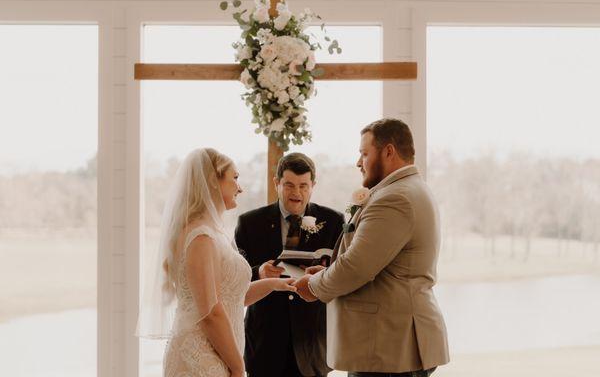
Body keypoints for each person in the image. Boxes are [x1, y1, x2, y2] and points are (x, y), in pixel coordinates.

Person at [294, 119, 450, 377]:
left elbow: (356, 267)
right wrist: (325, 271)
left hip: (389, 346)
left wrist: (313, 286)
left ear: (389, 151)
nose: (358, 163)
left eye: (364, 154)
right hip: (388, 344)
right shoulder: (407, 190)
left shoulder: (395, 198)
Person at [137, 148, 296, 377]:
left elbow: (231, 297)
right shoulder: (200, 237)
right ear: (213, 181)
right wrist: (238, 366)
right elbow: (210, 312)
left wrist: (275, 284)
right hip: (201, 357)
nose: (240, 188)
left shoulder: (213, 233)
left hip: (216, 352)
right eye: (235, 178)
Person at [235, 152, 344, 377]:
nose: (297, 193)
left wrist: (326, 275)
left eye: (304, 186)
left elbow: (343, 273)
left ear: (313, 185)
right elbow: (234, 280)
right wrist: (259, 272)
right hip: (265, 343)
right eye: (289, 185)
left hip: (312, 345)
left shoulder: (334, 221)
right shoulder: (249, 223)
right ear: (277, 183)